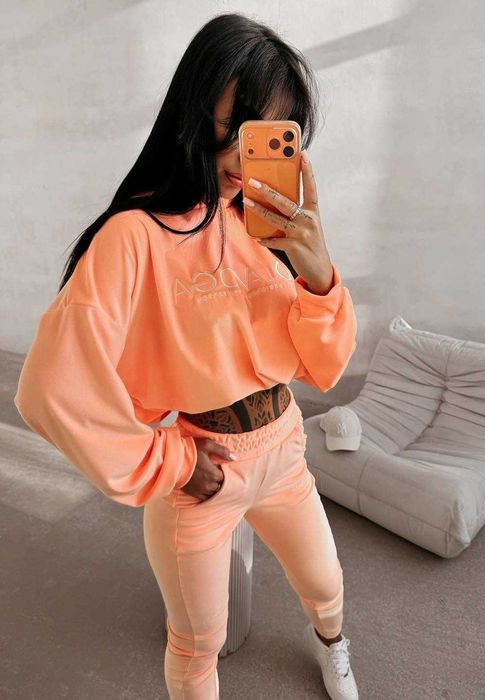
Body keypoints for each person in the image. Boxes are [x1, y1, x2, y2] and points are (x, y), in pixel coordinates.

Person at [14, 12, 359, 700]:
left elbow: (323, 366)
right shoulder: (133, 236)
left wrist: (318, 275)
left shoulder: (266, 225)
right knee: (198, 640)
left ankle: (333, 646)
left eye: (273, 135)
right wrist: (167, 460)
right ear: (193, 113)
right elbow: (49, 389)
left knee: (326, 584)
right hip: (205, 468)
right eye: (238, 127)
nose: (247, 157)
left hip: (285, 446)